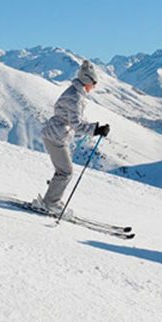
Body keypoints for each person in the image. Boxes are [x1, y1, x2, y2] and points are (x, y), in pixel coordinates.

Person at [32, 61, 110, 216]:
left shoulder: (75, 93)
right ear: (87, 81)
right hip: (56, 136)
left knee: (63, 171)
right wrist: (97, 129)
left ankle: (52, 200)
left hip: (57, 135)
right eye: (93, 83)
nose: (94, 87)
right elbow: (77, 124)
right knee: (65, 172)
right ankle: (50, 203)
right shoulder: (75, 98)